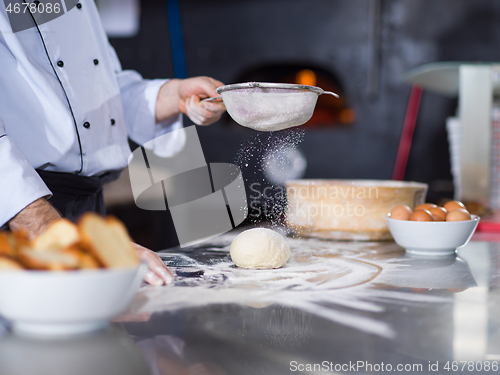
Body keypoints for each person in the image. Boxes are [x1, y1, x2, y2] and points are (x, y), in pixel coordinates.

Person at [0, 0, 226, 285]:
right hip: (19, 213)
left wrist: (172, 94)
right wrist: (50, 230)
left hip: (84, 208)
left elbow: (97, 90)